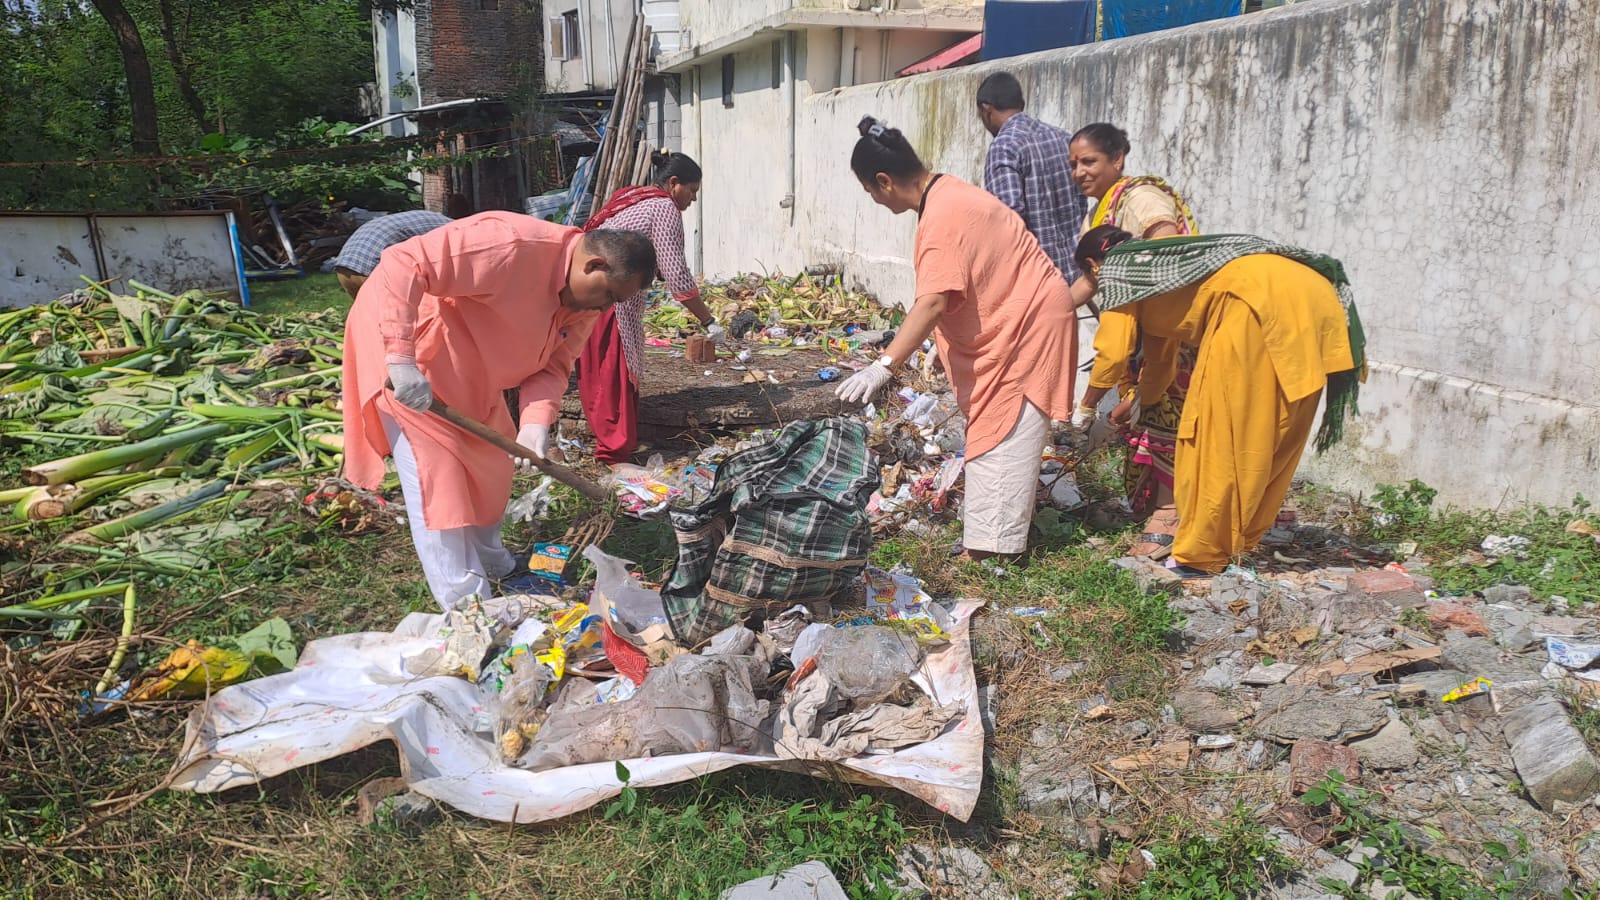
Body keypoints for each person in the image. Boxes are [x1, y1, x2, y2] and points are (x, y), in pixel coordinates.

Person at [341, 212, 656, 609]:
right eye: (610, 294)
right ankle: (467, 604)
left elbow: (554, 366)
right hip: (412, 354)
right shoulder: (510, 245)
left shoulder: (584, 305)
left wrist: (535, 423)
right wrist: (401, 359)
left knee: (491, 465)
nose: (607, 307)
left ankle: (494, 562)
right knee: (438, 478)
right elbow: (404, 262)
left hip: (471, 368)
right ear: (594, 265)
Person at [836, 115, 1076, 561]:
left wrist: (882, 367)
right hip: (1014, 317)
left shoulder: (942, 217)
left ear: (884, 181)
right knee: (991, 425)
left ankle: (992, 551)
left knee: (1004, 427)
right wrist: (936, 344)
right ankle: (990, 538)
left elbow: (932, 302)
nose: (874, 200)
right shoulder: (946, 195)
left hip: (1027, 325)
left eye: (870, 191)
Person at [1073, 227, 1366, 576]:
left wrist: (1086, 409)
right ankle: (1237, 539)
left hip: (1250, 304)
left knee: (1215, 440)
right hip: (1316, 295)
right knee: (1276, 430)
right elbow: (1161, 364)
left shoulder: (1120, 272)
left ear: (1093, 266)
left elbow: (1112, 354)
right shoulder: (1163, 265)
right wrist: (1133, 409)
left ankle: (1200, 556)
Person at [1067, 122, 1202, 557]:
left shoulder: (1140, 197)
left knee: (1165, 415)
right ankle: (1165, 507)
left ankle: (1170, 511)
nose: (1079, 172)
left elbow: (1165, 241)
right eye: (1073, 164)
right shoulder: (1100, 214)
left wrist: (1086, 408)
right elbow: (1091, 278)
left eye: (1089, 161)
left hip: (1179, 330)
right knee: (1145, 409)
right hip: (1153, 334)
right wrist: (1044, 314)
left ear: (1117, 159)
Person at [577, 150, 724, 466]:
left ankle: (613, 444)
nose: (693, 199)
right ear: (674, 183)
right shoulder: (663, 208)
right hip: (612, 298)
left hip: (589, 291)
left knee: (601, 372)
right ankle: (613, 453)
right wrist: (709, 320)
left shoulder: (634, 197)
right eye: (692, 190)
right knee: (613, 373)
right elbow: (677, 275)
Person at [975, 71, 1090, 283]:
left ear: (986, 109)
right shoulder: (1063, 138)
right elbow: (1081, 201)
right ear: (1022, 103)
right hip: (1078, 275)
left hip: (1039, 280)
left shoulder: (1004, 147)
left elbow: (1009, 220)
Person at [330, 194, 473, 299]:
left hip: (345, 263)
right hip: (371, 265)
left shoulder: (432, 219)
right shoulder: (453, 231)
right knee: (402, 318)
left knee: (368, 318)